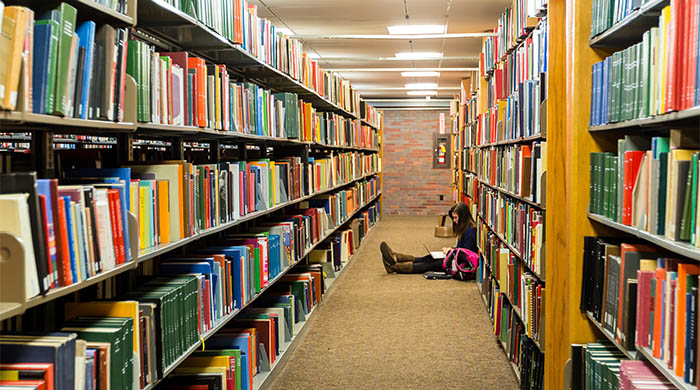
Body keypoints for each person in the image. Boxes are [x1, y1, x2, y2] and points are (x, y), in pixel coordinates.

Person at [380, 202, 477, 274]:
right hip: (454, 258)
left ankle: (394, 267)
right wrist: (451, 250)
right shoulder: (466, 228)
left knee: (428, 265)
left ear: (463, 217)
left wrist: (449, 252)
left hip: (458, 265)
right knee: (428, 258)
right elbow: (462, 250)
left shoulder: (470, 232)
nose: (455, 221)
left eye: (456, 218)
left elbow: (466, 256)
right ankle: (396, 257)